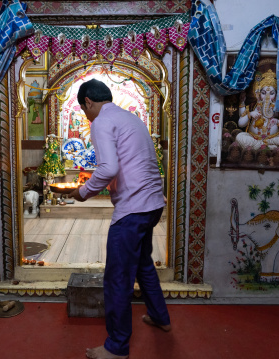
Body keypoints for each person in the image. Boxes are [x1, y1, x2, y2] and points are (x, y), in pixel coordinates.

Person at [69, 79, 171, 359]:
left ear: (88, 101)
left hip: (133, 210)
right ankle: (160, 316)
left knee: (117, 278)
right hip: (152, 205)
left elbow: (109, 168)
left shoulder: (101, 121)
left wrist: (83, 192)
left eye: (83, 108)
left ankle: (117, 346)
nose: (85, 115)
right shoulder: (130, 118)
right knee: (143, 265)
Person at [236, 69, 279, 150]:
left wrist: (277, 121)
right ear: (259, 94)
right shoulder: (253, 106)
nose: (267, 96)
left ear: (276, 96)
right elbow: (241, 124)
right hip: (254, 139)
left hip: (272, 139)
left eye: (272, 93)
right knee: (240, 137)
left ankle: (262, 146)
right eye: (263, 93)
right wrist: (250, 114)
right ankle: (268, 148)